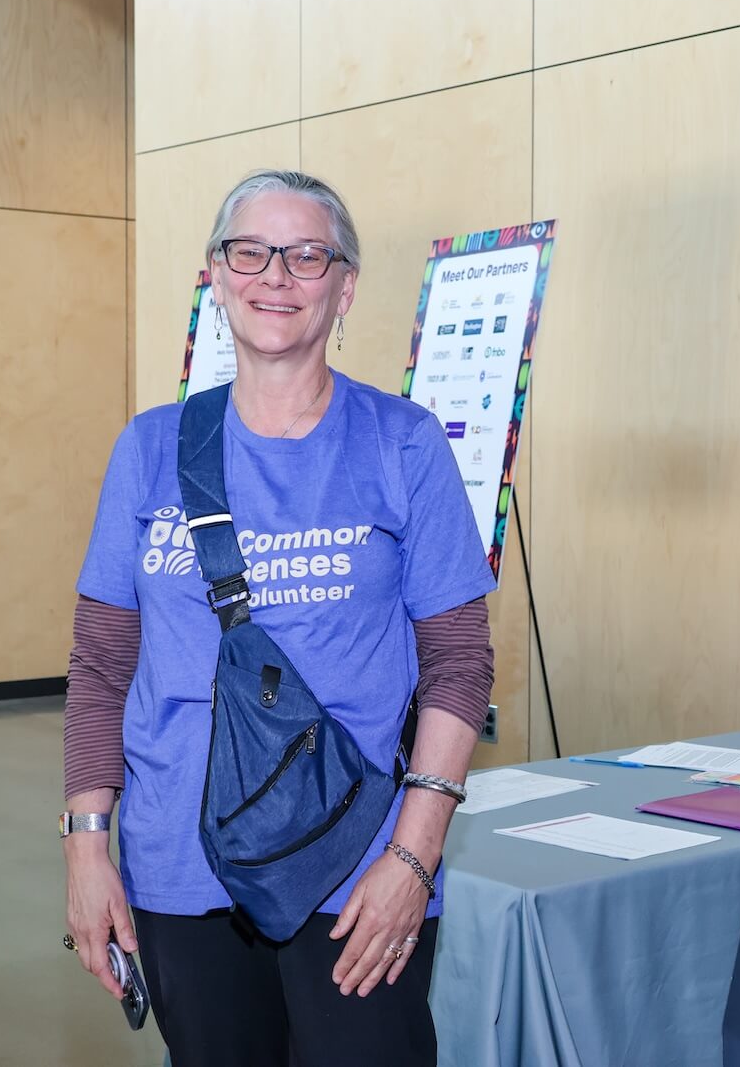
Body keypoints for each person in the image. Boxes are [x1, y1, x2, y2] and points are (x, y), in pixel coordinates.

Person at [59, 169, 497, 1067]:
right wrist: (86, 850)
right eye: (250, 252)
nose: (277, 276)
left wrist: (413, 859)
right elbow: (102, 667)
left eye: (307, 256)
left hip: (357, 867)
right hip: (179, 864)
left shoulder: (403, 442)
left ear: (345, 288)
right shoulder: (149, 448)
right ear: (215, 278)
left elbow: (458, 663)